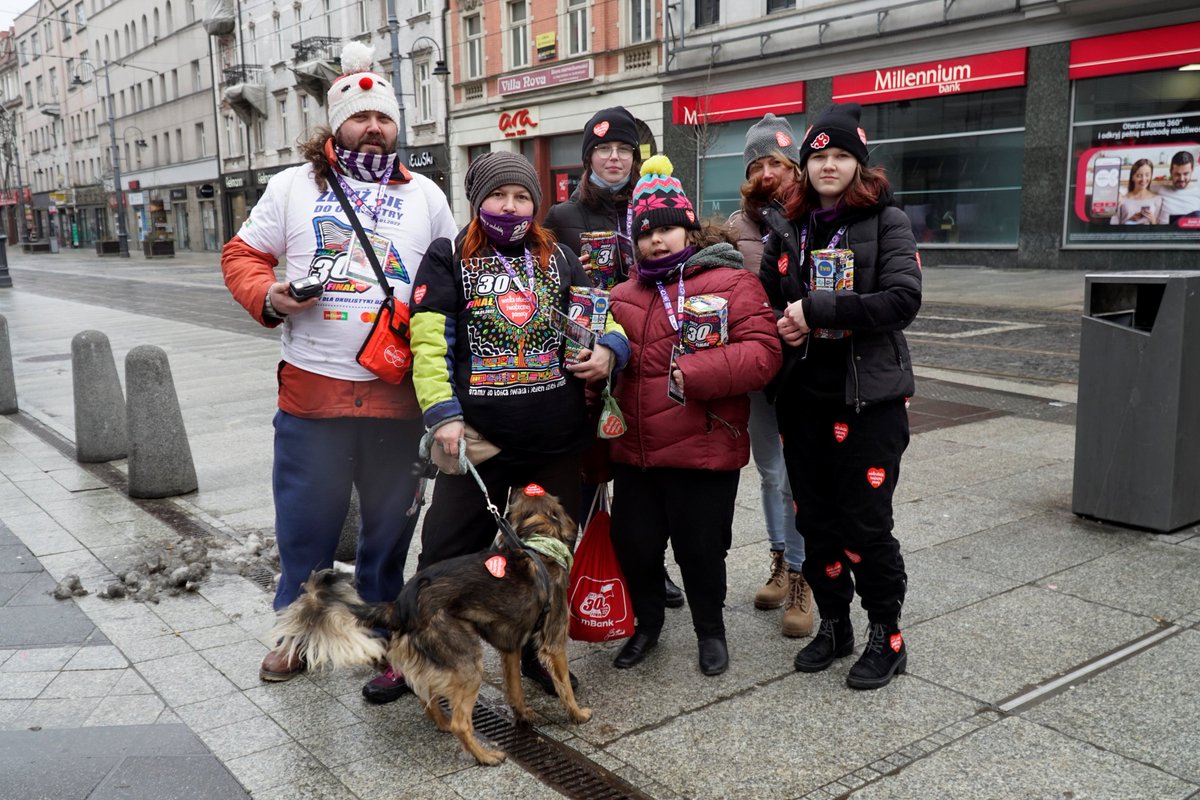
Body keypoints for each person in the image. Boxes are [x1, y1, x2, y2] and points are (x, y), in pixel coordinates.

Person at [221, 42, 457, 702]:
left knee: (389, 527)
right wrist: (270, 295)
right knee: (306, 526)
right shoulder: (292, 187)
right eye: (360, 117)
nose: (373, 127)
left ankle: (380, 634)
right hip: (312, 395)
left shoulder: (427, 196)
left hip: (395, 394)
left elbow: (449, 279)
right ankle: (300, 635)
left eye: (383, 117)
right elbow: (242, 255)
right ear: (335, 123)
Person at [409, 151, 629, 695]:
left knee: (547, 563)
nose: (510, 207)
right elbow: (429, 342)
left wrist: (609, 349)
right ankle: (423, 654)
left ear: (536, 204)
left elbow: (605, 316)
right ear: (476, 200)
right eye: (498, 196)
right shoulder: (448, 256)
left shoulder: (560, 255)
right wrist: (443, 416)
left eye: (522, 197)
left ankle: (536, 655)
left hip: (554, 442)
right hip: (477, 442)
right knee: (444, 553)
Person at [760, 102, 921, 690]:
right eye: (818, 156)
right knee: (818, 524)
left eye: (841, 156)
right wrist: (783, 320)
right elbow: (767, 301)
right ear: (805, 165)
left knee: (865, 526)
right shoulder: (789, 227)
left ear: (859, 163)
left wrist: (819, 309)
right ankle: (835, 624)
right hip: (804, 398)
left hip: (868, 400)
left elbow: (903, 301)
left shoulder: (887, 221)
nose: (829, 166)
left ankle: (888, 635)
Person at [607, 155, 781, 677]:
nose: (657, 241)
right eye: (645, 233)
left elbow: (764, 353)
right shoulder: (620, 295)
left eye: (667, 229)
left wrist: (697, 372)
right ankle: (647, 626)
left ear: (688, 228)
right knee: (635, 548)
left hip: (704, 447)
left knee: (702, 551)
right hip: (636, 452)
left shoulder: (730, 283)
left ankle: (711, 631)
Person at [543, 106, 686, 611]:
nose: (613, 157)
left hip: (645, 352)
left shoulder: (654, 205)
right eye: (602, 149)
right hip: (584, 354)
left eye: (623, 149)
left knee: (640, 473)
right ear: (587, 159)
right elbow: (544, 288)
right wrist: (572, 272)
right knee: (583, 472)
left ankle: (648, 566)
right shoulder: (563, 217)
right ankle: (571, 569)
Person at [726, 113, 813, 639]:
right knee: (770, 471)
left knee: (797, 473)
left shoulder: (814, 218)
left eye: (776, 163)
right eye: (757, 164)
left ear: (795, 167)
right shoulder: (738, 226)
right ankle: (780, 560)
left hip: (803, 363)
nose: (766, 173)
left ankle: (802, 575)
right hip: (759, 365)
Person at [1153, 151, 1200, 224]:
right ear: (1171, 172)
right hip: (1166, 232)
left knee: (1197, 215)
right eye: (1177, 174)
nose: (1181, 178)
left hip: (1190, 233)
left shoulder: (1198, 193)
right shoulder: (1159, 190)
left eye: (1186, 174)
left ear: (1192, 171)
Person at [1111, 159, 1162, 225]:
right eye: (1139, 176)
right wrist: (1130, 220)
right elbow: (1114, 226)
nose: (1143, 179)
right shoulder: (1121, 199)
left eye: (1147, 175)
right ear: (1133, 177)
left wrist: (1153, 221)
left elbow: (1159, 229)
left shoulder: (1157, 199)